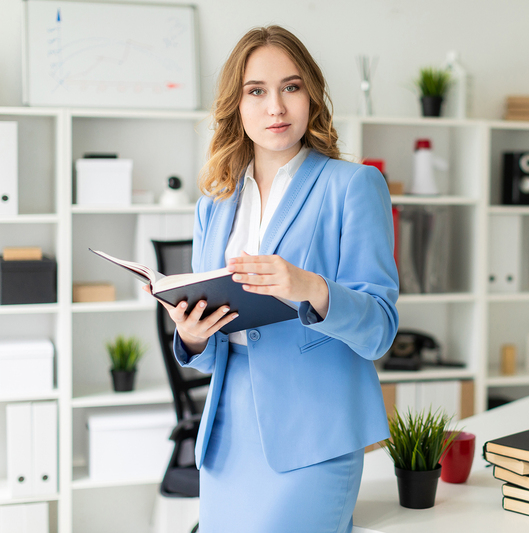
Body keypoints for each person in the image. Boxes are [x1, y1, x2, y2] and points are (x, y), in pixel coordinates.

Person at [160, 25, 399, 533]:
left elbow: (380, 329)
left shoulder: (353, 186)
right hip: (228, 435)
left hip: (317, 430)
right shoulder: (214, 204)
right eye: (257, 91)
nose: (276, 107)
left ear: (311, 96)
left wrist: (311, 288)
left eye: (291, 87)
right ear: (237, 105)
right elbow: (210, 355)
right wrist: (192, 336)